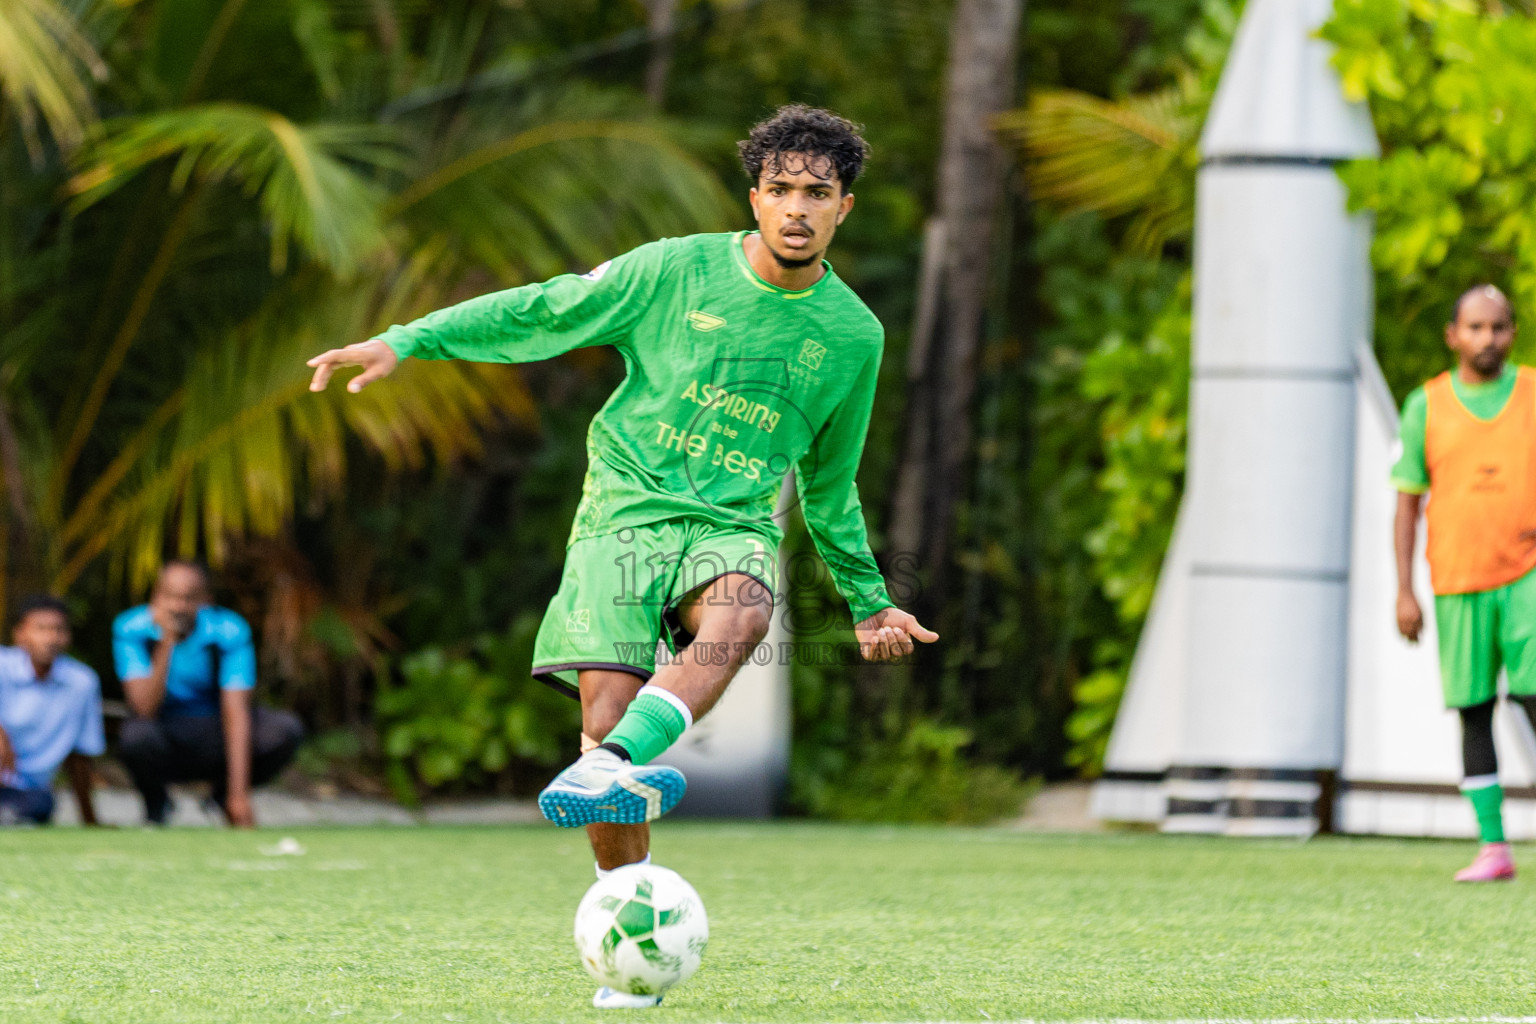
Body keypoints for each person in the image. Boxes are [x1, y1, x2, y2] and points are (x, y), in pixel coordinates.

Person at [307, 105, 937, 1006]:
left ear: (845, 209)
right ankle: (627, 945)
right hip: (622, 514)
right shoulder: (673, 270)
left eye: (819, 193)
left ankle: (614, 764)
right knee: (605, 730)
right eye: (782, 189)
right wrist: (407, 339)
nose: (798, 208)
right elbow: (542, 310)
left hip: (730, 523)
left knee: (746, 607)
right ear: (754, 196)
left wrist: (869, 600)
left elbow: (831, 484)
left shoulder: (853, 337)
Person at [1394, 283, 1536, 882]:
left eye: (1498, 327)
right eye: (1475, 328)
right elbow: (1407, 503)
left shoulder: (1531, 392)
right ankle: (1492, 845)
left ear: (1513, 333)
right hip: (1456, 580)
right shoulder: (1425, 405)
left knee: (1534, 699)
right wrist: (1404, 590)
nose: (1488, 338)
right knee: (1473, 710)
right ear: (1453, 336)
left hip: (1528, 573)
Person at [113, 560, 304, 827]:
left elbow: (235, 712)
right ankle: (156, 805)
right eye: (170, 596)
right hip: (164, 730)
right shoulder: (131, 628)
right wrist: (166, 641)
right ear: (156, 597)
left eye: (188, 598)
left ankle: (222, 798)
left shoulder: (228, 630)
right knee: (135, 735)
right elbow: (144, 708)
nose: (178, 606)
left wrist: (238, 796)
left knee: (283, 730)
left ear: (206, 600)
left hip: (214, 728)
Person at [0, 595, 103, 825]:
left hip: (24, 792)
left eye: (59, 629)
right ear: (20, 635)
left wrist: (91, 820)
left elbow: (80, 755)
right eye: (41, 629)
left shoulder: (82, 682)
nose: (51, 638)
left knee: (42, 804)